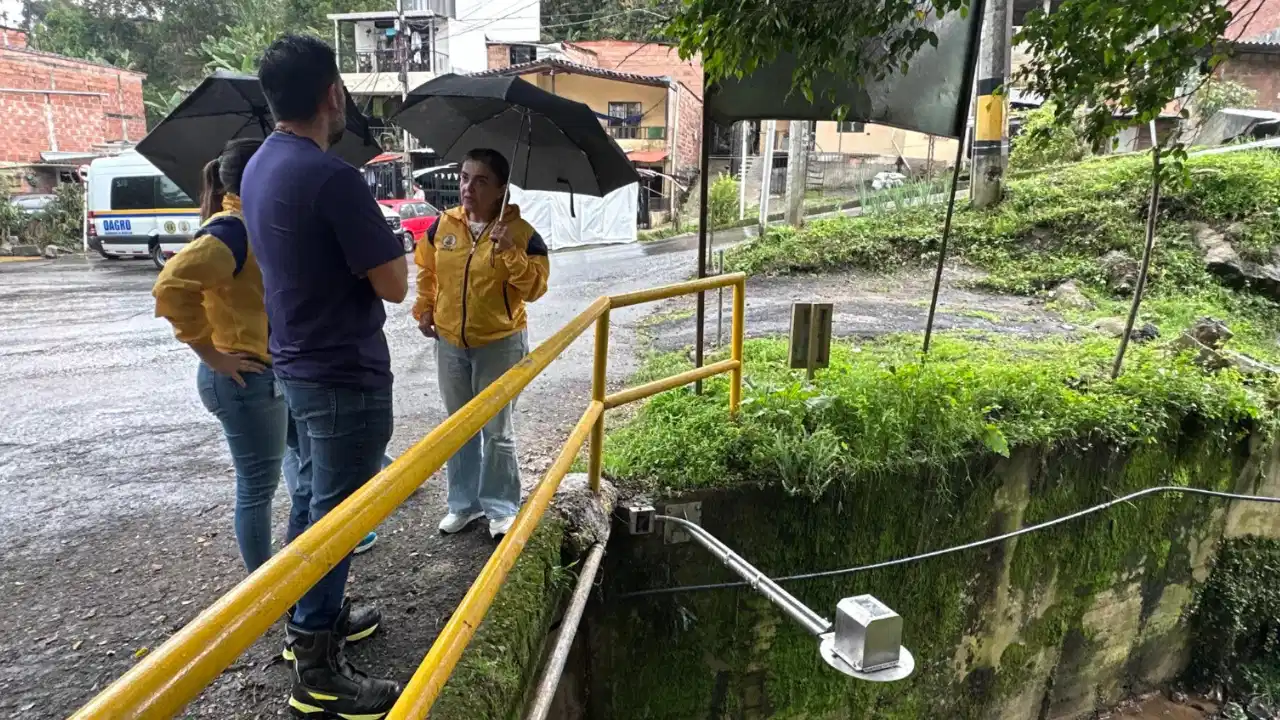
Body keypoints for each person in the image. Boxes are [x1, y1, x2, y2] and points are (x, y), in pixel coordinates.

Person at [243, 34, 407, 718]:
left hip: (297, 367)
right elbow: (394, 285)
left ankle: (310, 619)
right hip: (344, 375)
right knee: (337, 520)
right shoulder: (332, 176)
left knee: (312, 505)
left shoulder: (257, 166)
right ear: (332, 94)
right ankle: (316, 668)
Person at [413, 148, 549, 540]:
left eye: (481, 181)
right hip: (451, 343)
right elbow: (427, 267)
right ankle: (464, 505)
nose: (468, 187)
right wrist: (425, 309)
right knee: (458, 427)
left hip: (500, 343)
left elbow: (536, 288)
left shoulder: (521, 233)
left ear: (501, 190)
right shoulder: (444, 226)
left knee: (497, 429)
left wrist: (510, 252)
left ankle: (501, 506)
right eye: (464, 177)